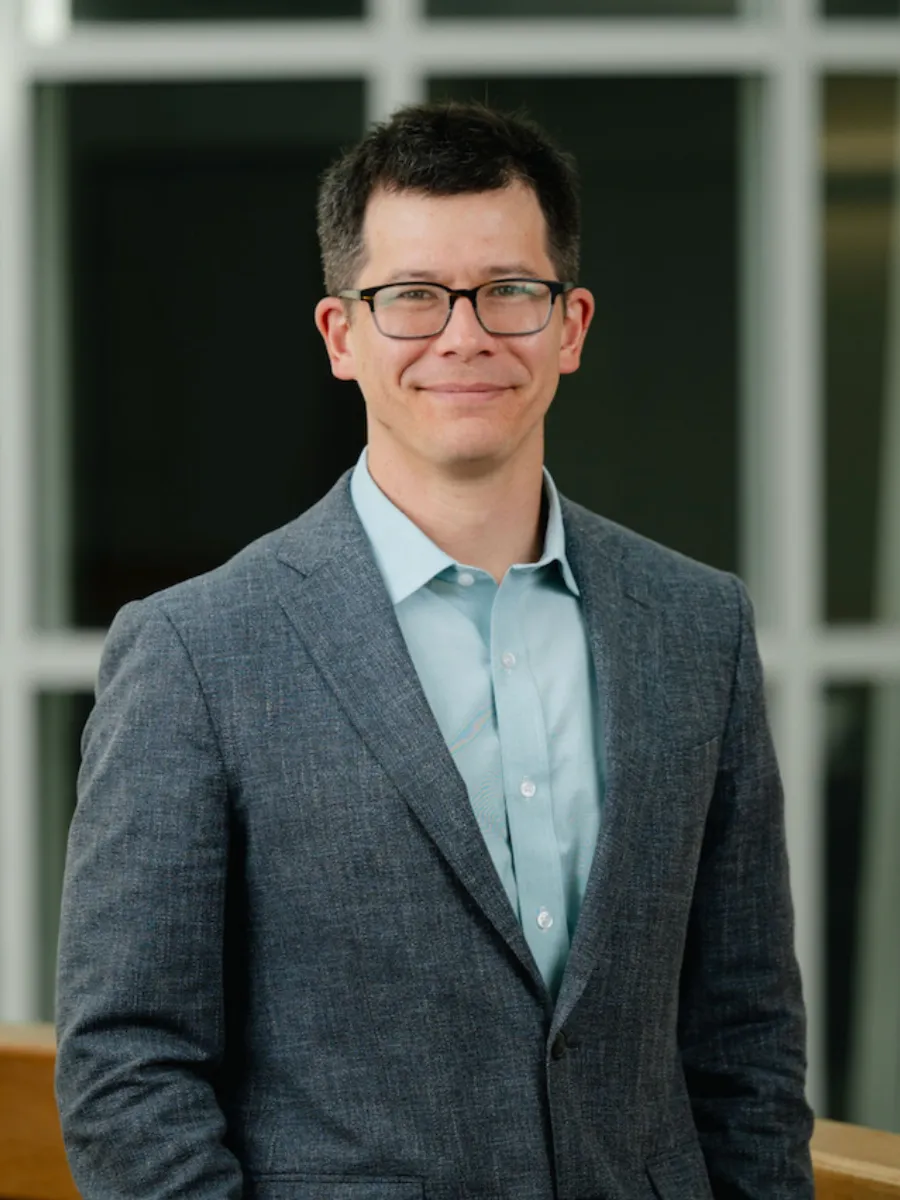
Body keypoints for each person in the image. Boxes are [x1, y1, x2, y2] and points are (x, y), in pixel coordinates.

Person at [55, 101, 814, 1200]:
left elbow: (746, 1037)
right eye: (412, 297)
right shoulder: (194, 652)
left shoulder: (698, 629)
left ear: (573, 324)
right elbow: (128, 1068)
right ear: (341, 336)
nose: (466, 334)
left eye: (510, 290)